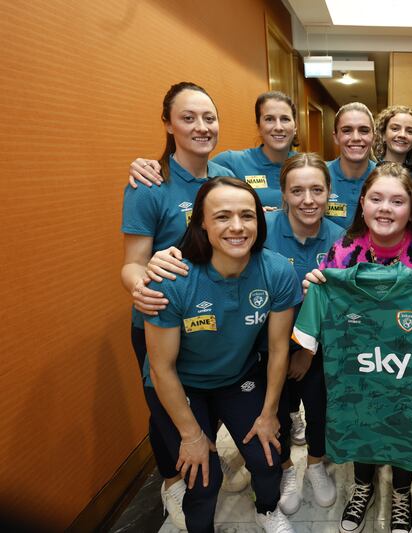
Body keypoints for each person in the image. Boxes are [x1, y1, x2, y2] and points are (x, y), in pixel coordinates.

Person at [303, 162, 412, 533]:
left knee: (407, 423)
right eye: (376, 199)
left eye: (397, 201)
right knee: (363, 418)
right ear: (362, 204)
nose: (385, 208)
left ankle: (402, 492)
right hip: (360, 370)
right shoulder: (344, 250)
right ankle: (363, 487)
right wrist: (314, 289)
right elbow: (324, 311)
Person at [143, 177, 302, 533]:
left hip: (236, 377)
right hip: (181, 384)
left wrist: (269, 413)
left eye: (247, 215)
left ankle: (266, 509)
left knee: (268, 456)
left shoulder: (276, 271)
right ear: (201, 221)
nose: (237, 226)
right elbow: (161, 368)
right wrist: (192, 436)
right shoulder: (172, 279)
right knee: (202, 478)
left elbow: (279, 349)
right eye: (222, 216)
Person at [120, 81, 240, 529]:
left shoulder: (223, 177)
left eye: (209, 117)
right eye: (188, 118)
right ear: (168, 124)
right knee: (165, 408)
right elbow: (132, 263)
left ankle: (205, 455)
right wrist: (141, 286)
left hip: (212, 321)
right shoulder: (150, 184)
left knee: (206, 399)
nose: (201, 126)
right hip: (159, 320)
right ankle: (171, 481)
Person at [264, 153, 343, 514]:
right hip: (268, 343)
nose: (308, 200)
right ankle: (285, 469)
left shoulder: (340, 239)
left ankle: (315, 464)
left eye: (317, 190)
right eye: (297, 191)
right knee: (277, 409)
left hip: (319, 343)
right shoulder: (262, 231)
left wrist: (308, 351)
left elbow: (340, 306)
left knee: (320, 405)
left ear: (329, 192)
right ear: (283, 193)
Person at [127, 91, 299, 210]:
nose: (278, 127)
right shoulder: (230, 164)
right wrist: (145, 166)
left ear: (295, 126)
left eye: (285, 119)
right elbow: (190, 168)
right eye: (269, 119)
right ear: (258, 126)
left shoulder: (307, 167)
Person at [325, 102, 377, 229]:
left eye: (364, 131)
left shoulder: (385, 178)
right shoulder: (319, 175)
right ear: (336, 137)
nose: (356, 137)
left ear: (374, 137)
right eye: (347, 130)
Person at [373, 104, 412, 175]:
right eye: (395, 129)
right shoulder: (370, 171)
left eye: (410, 131)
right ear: (383, 134)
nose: (402, 135)